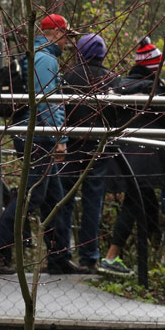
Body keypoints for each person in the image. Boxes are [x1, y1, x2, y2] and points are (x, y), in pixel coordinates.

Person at [0, 13, 71, 274]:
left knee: (54, 198)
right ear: (55, 33)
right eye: (66, 35)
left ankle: (59, 258)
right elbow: (47, 101)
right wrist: (59, 139)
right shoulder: (45, 59)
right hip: (37, 136)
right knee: (32, 196)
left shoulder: (37, 55)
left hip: (36, 134)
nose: (68, 42)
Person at [97, 37, 165, 277]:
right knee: (135, 202)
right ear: (154, 66)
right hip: (146, 159)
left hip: (121, 156)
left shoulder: (120, 87)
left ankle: (159, 253)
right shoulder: (154, 89)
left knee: (146, 200)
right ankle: (112, 256)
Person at [55, 33, 119, 273]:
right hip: (98, 148)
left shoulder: (69, 77)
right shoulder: (111, 79)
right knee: (94, 200)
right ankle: (89, 256)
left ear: (80, 52)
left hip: (70, 146)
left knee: (64, 199)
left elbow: (60, 107)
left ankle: (60, 253)